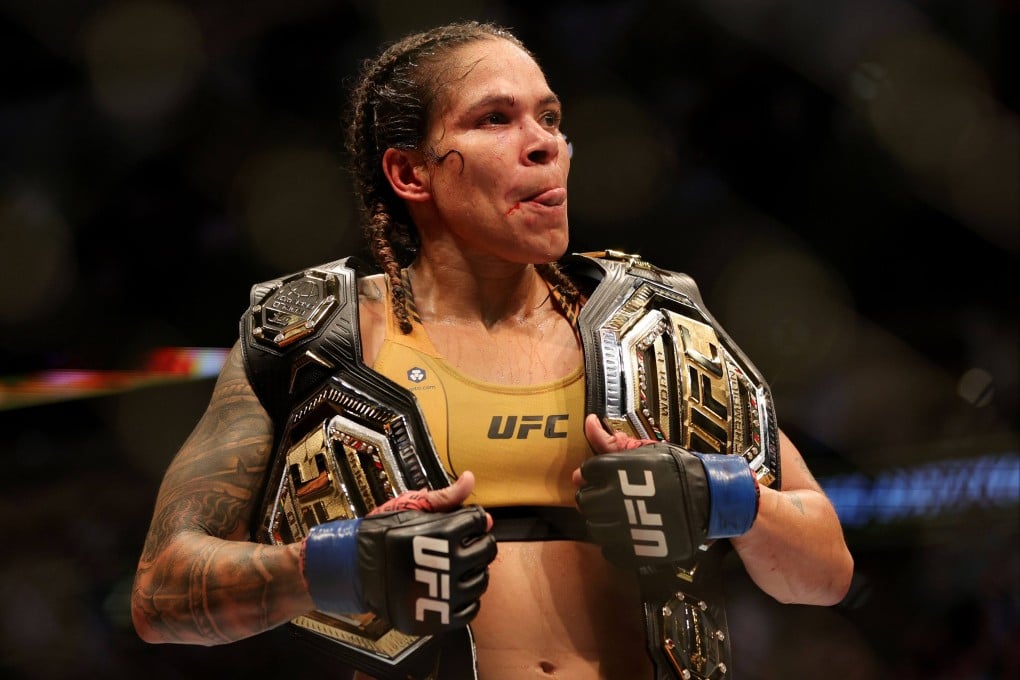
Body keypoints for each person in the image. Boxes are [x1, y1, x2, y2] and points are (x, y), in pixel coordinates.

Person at [131, 20, 853, 680]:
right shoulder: (312, 340)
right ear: (411, 174)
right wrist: (339, 563)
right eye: (495, 119)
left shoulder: (656, 329)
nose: (543, 143)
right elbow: (161, 593)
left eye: (551, 118)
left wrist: (723, 498)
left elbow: (824, 572)